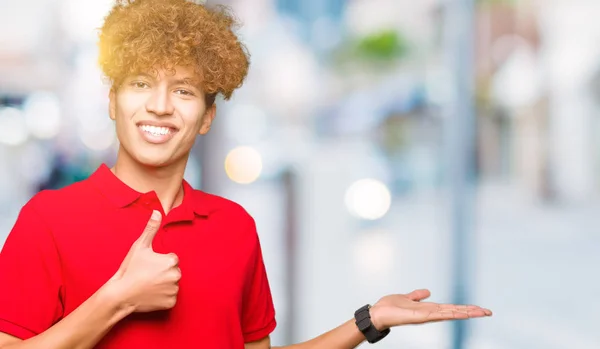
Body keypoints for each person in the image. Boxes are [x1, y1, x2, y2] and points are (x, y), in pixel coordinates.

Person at [0, 0, 492, 348]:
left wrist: (367, 322)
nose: (159, 106)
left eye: (185, 91)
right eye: (141, 84)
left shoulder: (233, 226)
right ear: (112, 100)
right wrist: (118, 298)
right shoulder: (48, 219)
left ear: (207, 117)